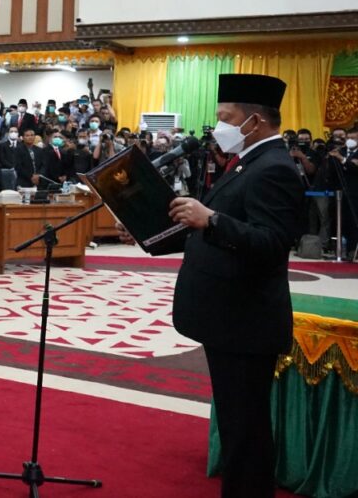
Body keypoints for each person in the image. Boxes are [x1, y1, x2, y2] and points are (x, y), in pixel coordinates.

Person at [120, 73, 302, 498]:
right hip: (229, 317)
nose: (218, 126)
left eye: (225, 117)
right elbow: (211, 226)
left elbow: (272, 242)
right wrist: (152, 230)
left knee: (246, 431)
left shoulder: (273, 168)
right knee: (238, 423)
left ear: (254, 122)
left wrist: (212, 219)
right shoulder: (249, 162)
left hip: (246, 320)